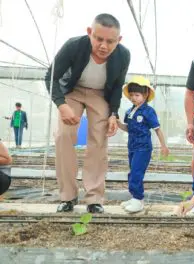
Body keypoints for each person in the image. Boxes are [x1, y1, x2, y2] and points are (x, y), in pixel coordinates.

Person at [45, 13, 131, 213]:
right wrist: (61, 104)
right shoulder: (74, 46)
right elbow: (51, 77)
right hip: (72, 91)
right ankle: (68, 196)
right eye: (98, 39)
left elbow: (118, 86)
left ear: (119, 40)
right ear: (89, 33)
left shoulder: (123, 55)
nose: (103, 46)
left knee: (99, 139)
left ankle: (94, 198)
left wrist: (113, 114)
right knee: (64, 136)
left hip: (99, 94)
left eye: (110, 41)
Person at [117, 76, 169, 213]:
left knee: (136, 173)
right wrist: (117, 123)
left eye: (137, 95)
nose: (134, 97)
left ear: (145, 95)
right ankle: (135, 198)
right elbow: (128, 128)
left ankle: (138, 200)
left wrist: (163, 146)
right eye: (132, 95)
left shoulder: (148, 111)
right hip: (132, 146)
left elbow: (157, 129)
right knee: (132, 173)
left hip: (143, 147)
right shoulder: (129, 111)